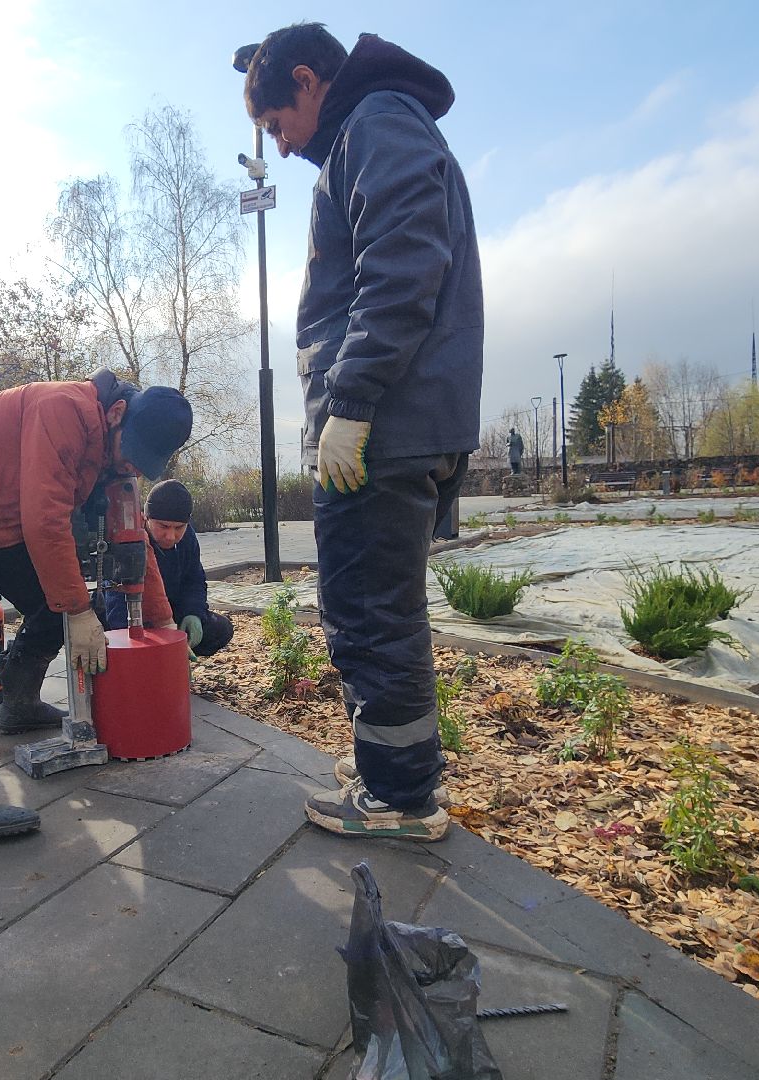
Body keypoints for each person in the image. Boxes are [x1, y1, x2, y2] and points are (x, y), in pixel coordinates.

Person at [240, 23, 483, 842]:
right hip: (392, 419)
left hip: (381, 423)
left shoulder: (375, 124)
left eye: (277, 123)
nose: (281, 143)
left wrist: (351, 400)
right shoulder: (374, 128)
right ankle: (390, 763)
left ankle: (401, 796)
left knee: (369, 609)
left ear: (308, 81)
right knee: (372, 602)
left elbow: (404, 262)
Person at [0, 369, 192, 839]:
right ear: (118, 413)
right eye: (130, 455)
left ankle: (20, 705)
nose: (130, 466)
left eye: (140, 464)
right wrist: (80, 610)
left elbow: (132, 540)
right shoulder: (61, 409)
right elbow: (45, 517)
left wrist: (164, 623)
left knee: (54, 599)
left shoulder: (116, 446)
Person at [99, 479, 234, 658]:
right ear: (145, 517)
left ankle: (179, 657)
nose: (171, 536)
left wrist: (193, 613)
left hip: (172, 610)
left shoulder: (188, 538)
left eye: (179, 528)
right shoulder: (128, 539)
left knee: (221, 629)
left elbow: (194, 579)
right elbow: (116, 602)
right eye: (163, 526)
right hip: (130, 613)